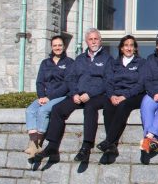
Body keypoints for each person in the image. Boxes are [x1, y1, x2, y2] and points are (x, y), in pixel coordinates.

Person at [35, 28, 112, 163]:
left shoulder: (107, 58)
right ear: (86, 42)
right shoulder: (80, 59)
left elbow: (108, 81)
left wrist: (90, 93)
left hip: (97, 95)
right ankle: (52, 146)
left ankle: (86, 147)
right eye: (90, 39)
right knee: (58, 109)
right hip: (78, 94)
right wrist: (75, 93)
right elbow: (70, 78)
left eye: (96, 39)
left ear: (100, 41)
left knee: (90, 108)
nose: (93, 41)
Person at [24, 36, 74, 159]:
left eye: (60, 45)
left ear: (64, 47)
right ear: (51, 47)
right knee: (30, 110)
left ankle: (38, 142)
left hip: (61, 96)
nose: (57, 48)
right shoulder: (45, 63)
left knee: (43, 110)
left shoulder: (70, 63)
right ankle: (33, 143)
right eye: (55, 45)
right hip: (45, 97)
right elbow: (39, 82)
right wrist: (41, 96)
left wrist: (49, 98)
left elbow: (67, 85)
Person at [96, 35, 146, 157]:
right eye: (126, 45)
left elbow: (141, 84)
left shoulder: (141, 63)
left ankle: (108, 141)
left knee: (123, 106)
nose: (128, 48)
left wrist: (125, 96)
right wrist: (112, 95)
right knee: (108, 107)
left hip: (134, 95)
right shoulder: (114, 63)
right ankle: (112, 146)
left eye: (131, 45)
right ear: (121, 48)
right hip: (116, 94)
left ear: (135, 48)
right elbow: (108, 82)